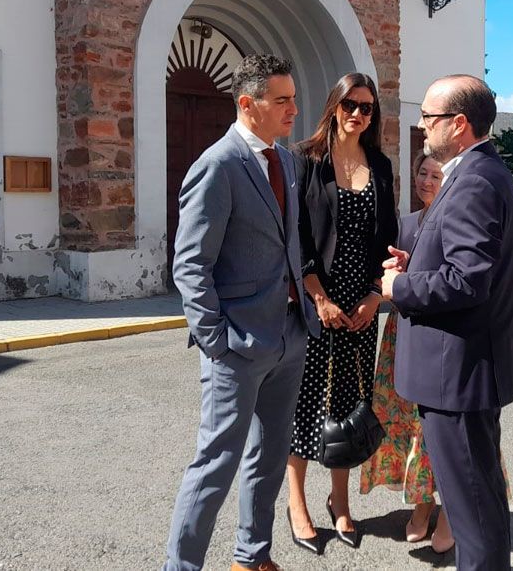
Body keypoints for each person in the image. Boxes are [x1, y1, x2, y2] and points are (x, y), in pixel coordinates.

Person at [164, 54, 320, 571]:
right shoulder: (217, 165)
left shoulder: (288, 162)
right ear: (248, 105)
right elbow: (190, 264)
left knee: (269, 458)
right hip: (237, 345)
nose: (294, 109)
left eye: (294, 98)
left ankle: (252, 557)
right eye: (282, 101)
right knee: (215, 464)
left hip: (288, 337)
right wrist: (216, 340)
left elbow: (288, 243)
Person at [382, 74, 513, 571]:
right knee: (479, 498)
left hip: (457, 375)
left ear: (459, 124)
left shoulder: (473, 181)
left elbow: (467, 281)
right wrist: (416, 263)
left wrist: (398, 288)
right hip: (463, 371)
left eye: (429, 117)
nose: (422, 127)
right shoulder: (478, 174)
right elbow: (462, 262)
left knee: (472, 508)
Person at [288, 72, 398, 554]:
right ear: (334, 105)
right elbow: (298, 239)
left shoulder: (380, 165)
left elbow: (388, 237)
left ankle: (340, 502)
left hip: (361, 308)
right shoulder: (305, 160)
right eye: (351, 104)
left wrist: (376, 296)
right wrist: (319, 298)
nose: (358, 114)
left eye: (368, 107)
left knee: (350, 407)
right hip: (319, 306)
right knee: (305, 406)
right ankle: (296, 505)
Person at [359, 153, 454, 553]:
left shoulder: (455, 220)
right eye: (422, 173)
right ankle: (421, 505)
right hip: (401, 333)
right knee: (408, 424)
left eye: (436, 174)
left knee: (444, 428)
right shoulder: (407, 223)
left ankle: (450, 511)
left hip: (440, 336)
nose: (427, 180)